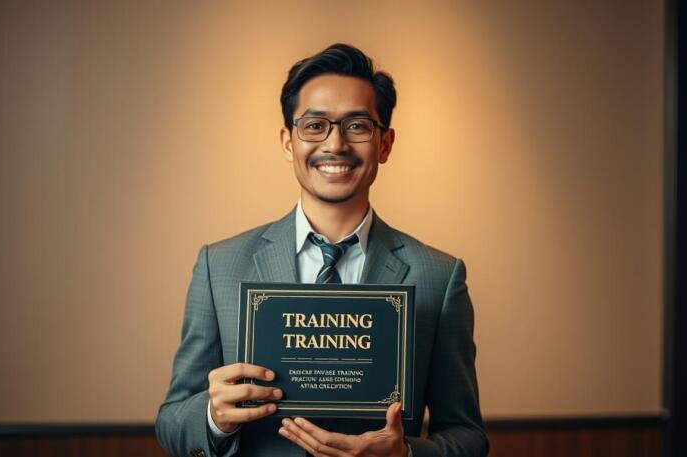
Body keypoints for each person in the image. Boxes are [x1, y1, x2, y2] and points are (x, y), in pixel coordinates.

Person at [156, 43, 488, 457]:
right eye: (314, 125)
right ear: (287, 142)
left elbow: (468, 436)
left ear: (384, 144)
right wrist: (213, 416)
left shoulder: (439, 276)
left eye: (357, 126)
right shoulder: (219, 266)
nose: (335, 144)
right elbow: (171, 422)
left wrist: (404, 454)